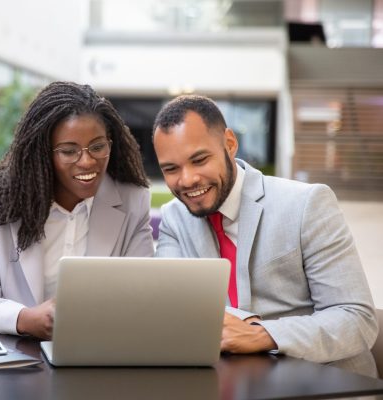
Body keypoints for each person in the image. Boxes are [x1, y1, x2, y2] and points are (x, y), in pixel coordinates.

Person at [152, 94, 378, 377]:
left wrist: (262, 334)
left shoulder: (306, 203)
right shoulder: (175, 217)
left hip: (323, 382)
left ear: (230, 144)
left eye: (199, 159)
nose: (187, 180)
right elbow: (173, 313)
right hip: (232, 382)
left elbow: (357, 320)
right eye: (171, 169)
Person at [0, 81, 154, 339]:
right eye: (69, 151)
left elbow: (144, 300)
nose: (87, 161)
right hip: (16, 362)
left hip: (97, 356)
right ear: (42, 154)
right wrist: (25, 319)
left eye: (97, 146)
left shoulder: (132, 202)